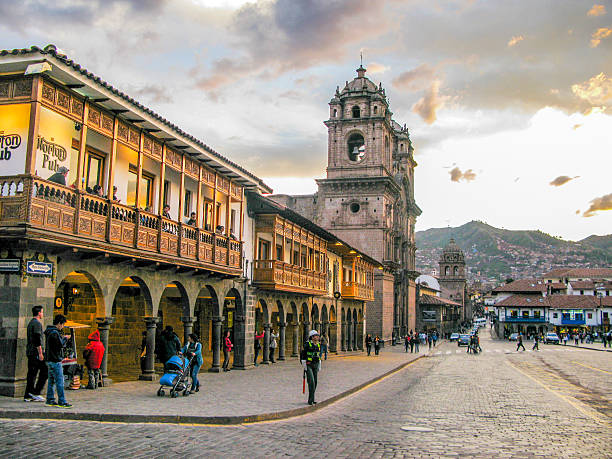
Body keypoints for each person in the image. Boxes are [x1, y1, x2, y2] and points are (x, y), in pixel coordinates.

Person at [44, 314, 71, 408]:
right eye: (62, 324)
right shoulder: (54, 333)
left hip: (49, 359)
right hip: (55, 360)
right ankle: (62, 401)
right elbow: (59, 345)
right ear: (59, 323)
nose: (62, 326)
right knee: (60, 381)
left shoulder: (49, 331)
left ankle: (50, 399)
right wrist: (65, 339)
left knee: (51, 381)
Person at [24, 305, 47, 402]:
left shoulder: (31, 323)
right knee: (44, 371)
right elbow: (37, 338)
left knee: (32, 373)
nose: (42, 314)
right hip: (35, 353)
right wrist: (40, 353)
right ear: (39, 313)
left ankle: (28, 394)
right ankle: (35, 392)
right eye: (42, 312)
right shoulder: (37, 324)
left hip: (31, 352)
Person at [300, 330, 321, 405]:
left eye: (318, 336)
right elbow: (303, 354)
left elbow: (318, 355)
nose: (317, 337)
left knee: (315, 382)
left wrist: (319, 364)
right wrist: (303, 364)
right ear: (312, 337)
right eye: (316, 335)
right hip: (308, 364)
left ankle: (312, 399)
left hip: (315, 364)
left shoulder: (318, 344)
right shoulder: (307, 344)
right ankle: (310, 400)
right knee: (311, 381)